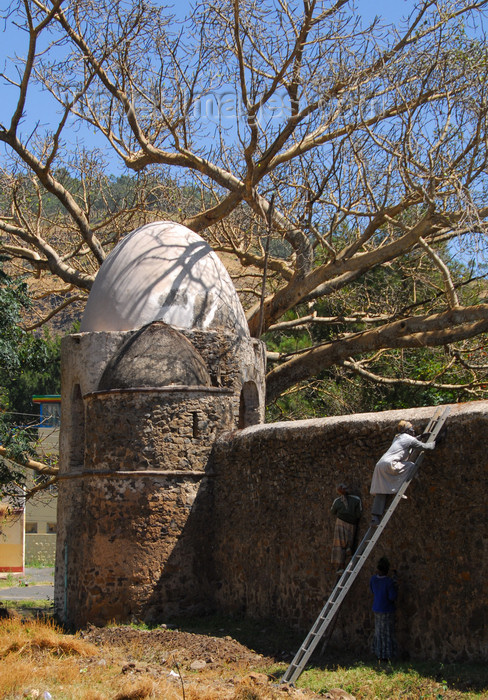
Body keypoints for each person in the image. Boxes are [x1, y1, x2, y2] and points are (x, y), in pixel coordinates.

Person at [370, 420, 435, 525]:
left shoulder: (397, 437)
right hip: (391, 464)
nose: (413, 431)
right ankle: (400, 488)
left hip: (380, 465)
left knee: (380, 491)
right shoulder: (408, 439)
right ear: (408, 430)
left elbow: (407, 444)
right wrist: (436, 442)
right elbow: (426, 447)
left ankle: (375, 518)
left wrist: (420, 437)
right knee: (411, 466)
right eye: (412, 430)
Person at [370, 556, 398, 662]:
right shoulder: (388, 582)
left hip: (377, 608)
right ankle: (386, 655)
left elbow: (372, 590)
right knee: (386, 633)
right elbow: (392, 596)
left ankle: (378, 653)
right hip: (386, 610)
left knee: (378, 632)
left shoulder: (373, 579)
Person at [330, 483, 362, 574]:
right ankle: (349, 548)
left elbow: (332, 511)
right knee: (349, 540)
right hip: (352, 523)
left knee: (339, 545)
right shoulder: (356, 499)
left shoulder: (337, 501)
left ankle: (341, 566)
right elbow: (359, 513)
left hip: (340, 523)